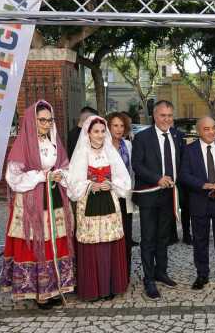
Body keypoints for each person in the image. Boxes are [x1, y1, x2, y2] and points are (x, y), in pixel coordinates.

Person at [1, 100, 75, 309]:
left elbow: (64, 164)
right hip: (33, 200)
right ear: (32, 121)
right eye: (42, 120)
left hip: (54, 197)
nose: (46, 124)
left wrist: (61, 175)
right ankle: (38, 292)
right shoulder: (23, 143)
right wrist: (39, 176)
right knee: (35, 244)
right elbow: (13, 176)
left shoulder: (54, 142)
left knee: (56, 241)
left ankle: (55, 286)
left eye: (49, 120)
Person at [68, 115, 131, 301]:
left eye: (103, 131)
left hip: (109, 203)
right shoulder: (81, 153)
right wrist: (89, 184)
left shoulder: (110, 152)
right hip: (88, 203)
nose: (100, 135)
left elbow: (125, 179)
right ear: (88, 133)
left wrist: (111, 183)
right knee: (92, 245)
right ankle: (92, 288)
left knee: (109, 243)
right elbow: (72, 183)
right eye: (96, 131)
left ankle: (110, 286)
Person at [132, 100, 185, 299]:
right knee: (148, 239)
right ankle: (149, 279)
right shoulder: (142, 137)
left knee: (164, 237)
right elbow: (137, 165)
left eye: (170, 115)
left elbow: (181, 161)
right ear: (155, 116)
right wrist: (157, 179)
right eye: (163, 115)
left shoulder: (177, 136)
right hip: (149, 195)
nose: (167, 119)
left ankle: (161, 272)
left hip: (169, 196)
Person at [180, 117, 215, 291]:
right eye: (207, 129)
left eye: (213, 128)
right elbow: (184, 175)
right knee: (200, 240)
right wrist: (203, 185)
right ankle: (202, 275)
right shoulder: (189, 150)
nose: (212, 132)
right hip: (200, 201)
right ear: (199, 131)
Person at [106, 112, 138, 278]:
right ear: (108, 127)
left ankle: (124, 274)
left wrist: (133, 193)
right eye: (115, 125)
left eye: (121, 126)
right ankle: (111, 274)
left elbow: (132, 171)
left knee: (126, 237)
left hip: (125, 197)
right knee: (112, 238)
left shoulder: (128, 145)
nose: (119, 129)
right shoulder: (103, 145)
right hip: (108, 198)